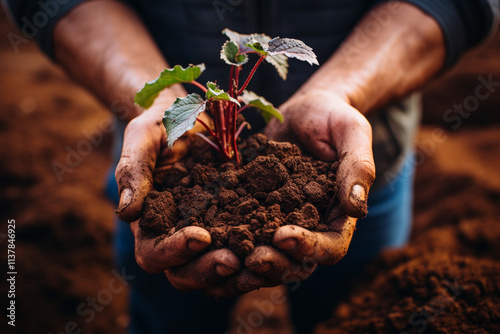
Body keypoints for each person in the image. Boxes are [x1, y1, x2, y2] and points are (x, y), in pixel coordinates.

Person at [5, 0, 498, 332]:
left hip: (353, 156)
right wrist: (152, 102)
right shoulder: (191, 125)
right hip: (166, 168)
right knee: (167, 315)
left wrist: (339, 91)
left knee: (348, 313)